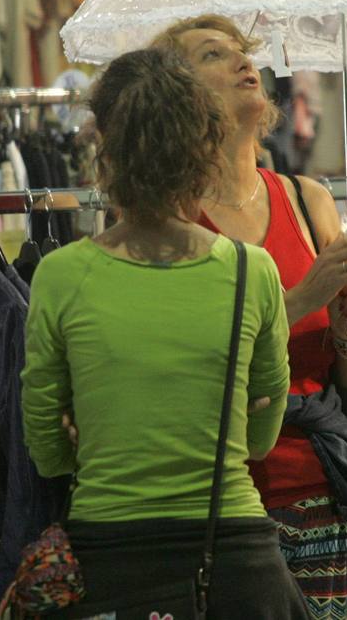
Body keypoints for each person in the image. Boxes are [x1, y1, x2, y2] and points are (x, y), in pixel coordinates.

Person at [20, 48, 310, 619]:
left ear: (106, 149)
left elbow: (46, 449)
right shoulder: (252, 272)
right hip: (236, 562)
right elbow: (260, 437)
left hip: (111, 562)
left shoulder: (61, 276)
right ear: (204, 146)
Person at [153, 15, 347, 620]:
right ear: (178, 95)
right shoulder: (166, 219)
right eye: (212, 55)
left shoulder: (308, 200)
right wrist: (304, 296)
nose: (241, 64)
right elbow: (185, 359)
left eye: (243, 52)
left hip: (323, 499)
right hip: (217, 508)